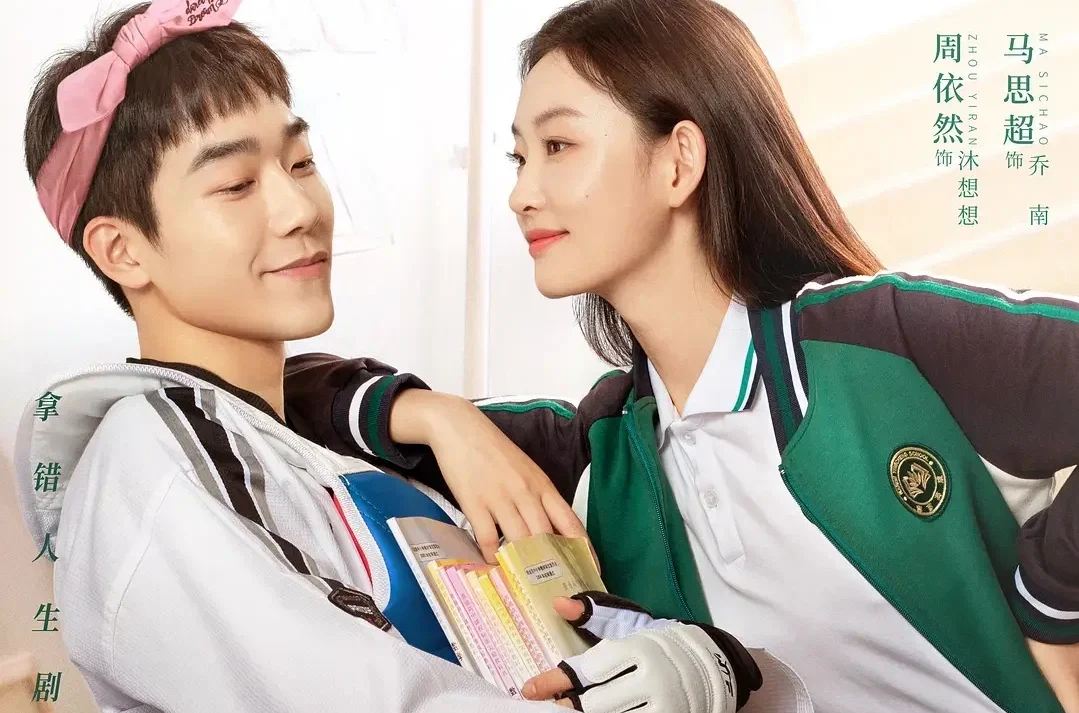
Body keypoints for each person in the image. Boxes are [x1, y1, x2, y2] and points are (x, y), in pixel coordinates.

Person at [282, 1, 1079, 712]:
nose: (521, 194)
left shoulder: (877, 338)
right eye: (520, 158)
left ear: (678, 161)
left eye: (559, 145)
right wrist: (438, 417)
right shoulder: (600, 452)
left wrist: (1051, 598)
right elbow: (271, 397)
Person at [15, 1, 770, 712]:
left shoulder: (315, 453)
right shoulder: (148, 465)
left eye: (300, 162)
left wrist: (679, 658)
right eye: (237, 184)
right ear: (123, 250)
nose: (300, 210)